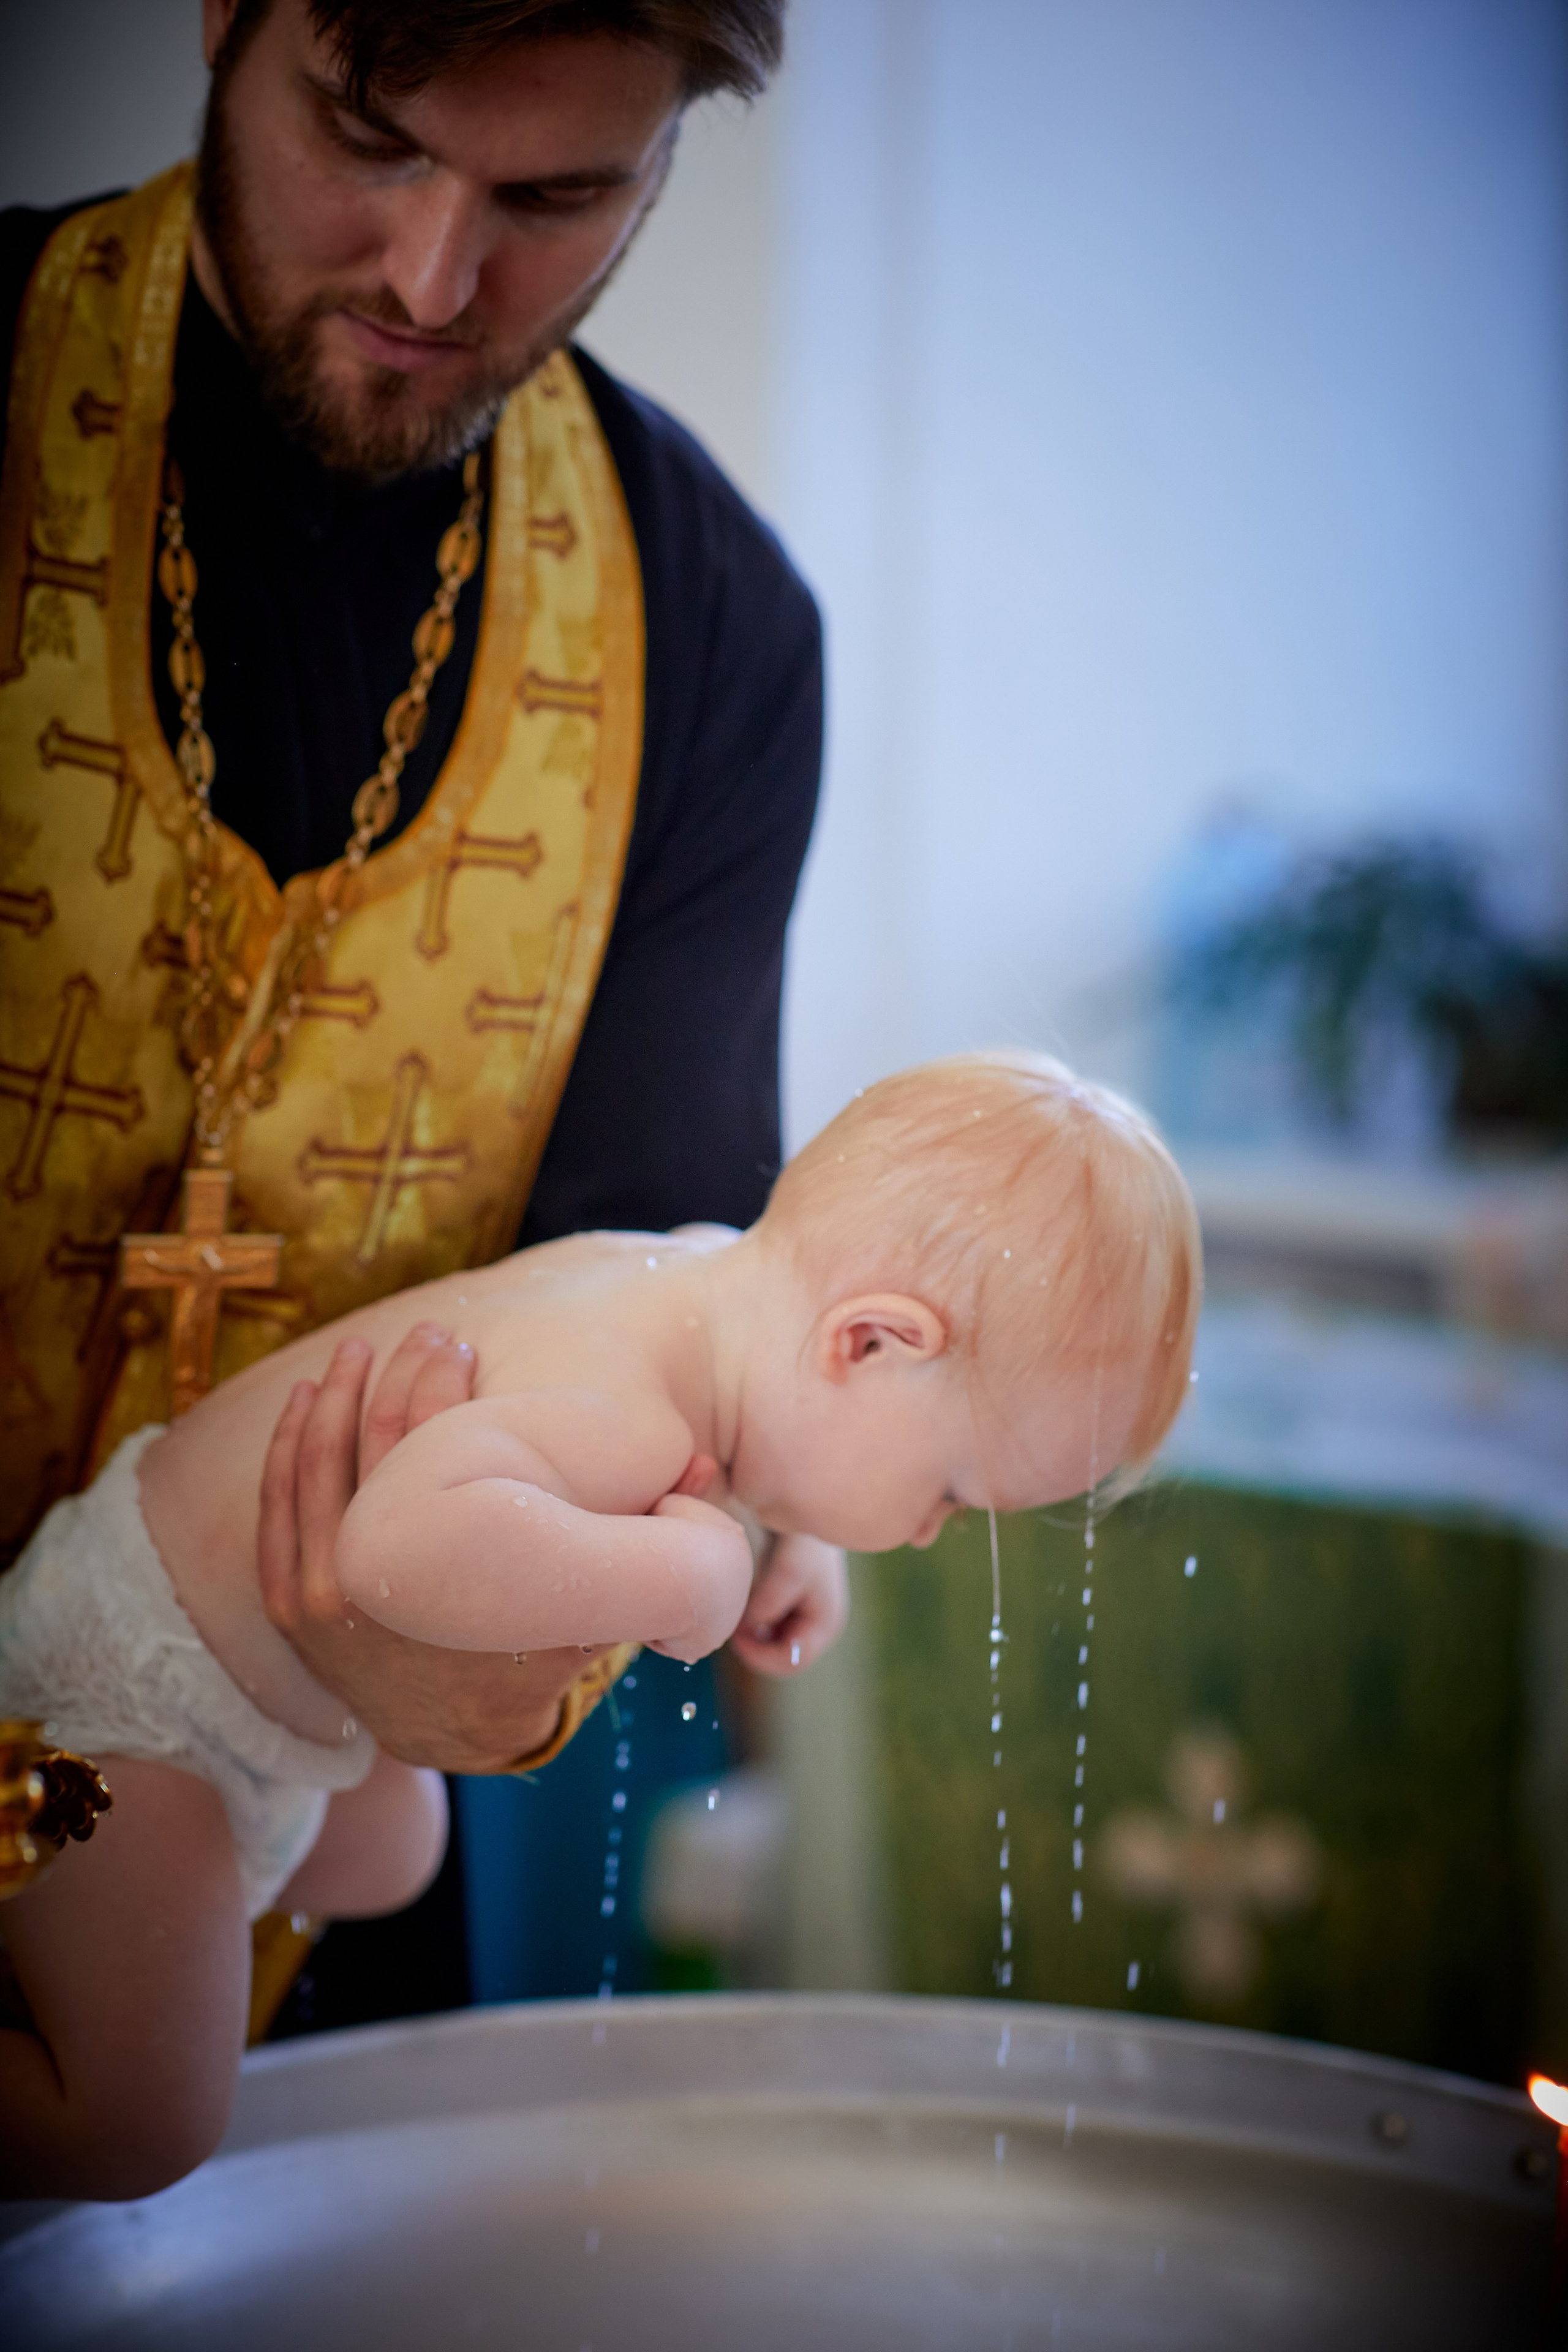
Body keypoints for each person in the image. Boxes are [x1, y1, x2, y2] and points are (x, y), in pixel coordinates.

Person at [0, 0, 819, 2007]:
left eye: (556, 196)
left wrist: (473, 1661)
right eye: (368, 139)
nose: (435, 279)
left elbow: (642, 1312)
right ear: (221, 16)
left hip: (312, 1842)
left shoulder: (706, 625)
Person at [0, 1049, 1202, 2196]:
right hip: (128, 1698)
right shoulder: (619, 1404)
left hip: (244, 1699)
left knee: (396, 1846)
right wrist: (692, 1579)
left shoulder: (705, 1277)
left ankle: (111, 1925)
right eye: (949, 1493)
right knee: (146, 2121)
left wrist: (808, 1537)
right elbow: (385, 1547)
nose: (933, 1528)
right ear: (871, 1341)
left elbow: (801, 1426)